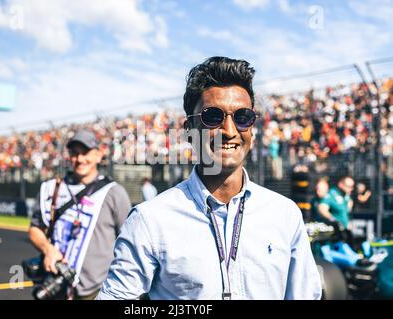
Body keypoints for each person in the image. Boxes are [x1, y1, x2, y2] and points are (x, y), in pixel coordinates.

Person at [97, 57, 322, 300]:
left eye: (242, 117)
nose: (229, 131)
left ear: (253, 131)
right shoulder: (150, 221)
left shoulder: (285, 215)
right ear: (189, 131)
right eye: (213, 117)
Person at [28, 129, 131, 300]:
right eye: (75, 153)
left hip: (97, 290)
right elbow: (34, 229)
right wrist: (48, 249)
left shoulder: (114, 192)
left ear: (99, 155)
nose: (80, 159)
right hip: (55, 285)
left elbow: (129, 242)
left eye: (86, 153)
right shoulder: (51, 188)